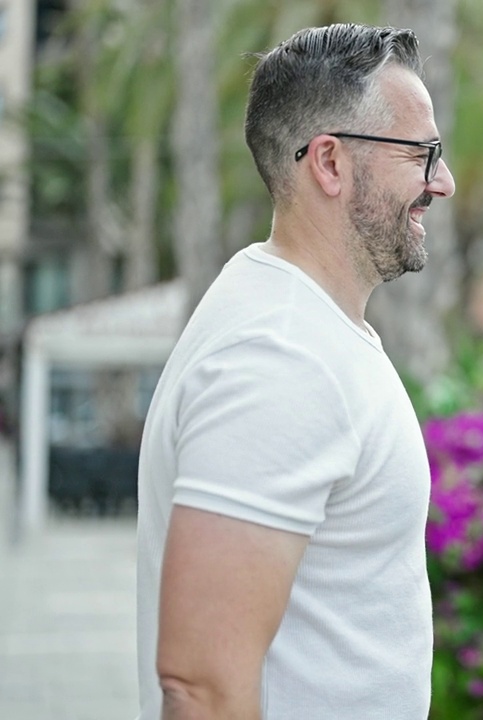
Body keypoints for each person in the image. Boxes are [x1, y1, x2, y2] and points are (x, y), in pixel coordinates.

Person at [135, 23, 455, 719]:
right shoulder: (281, 357)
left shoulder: (303, 329)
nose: (444, 182)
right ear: (330, 163)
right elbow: (201, 686)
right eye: (423, 153)